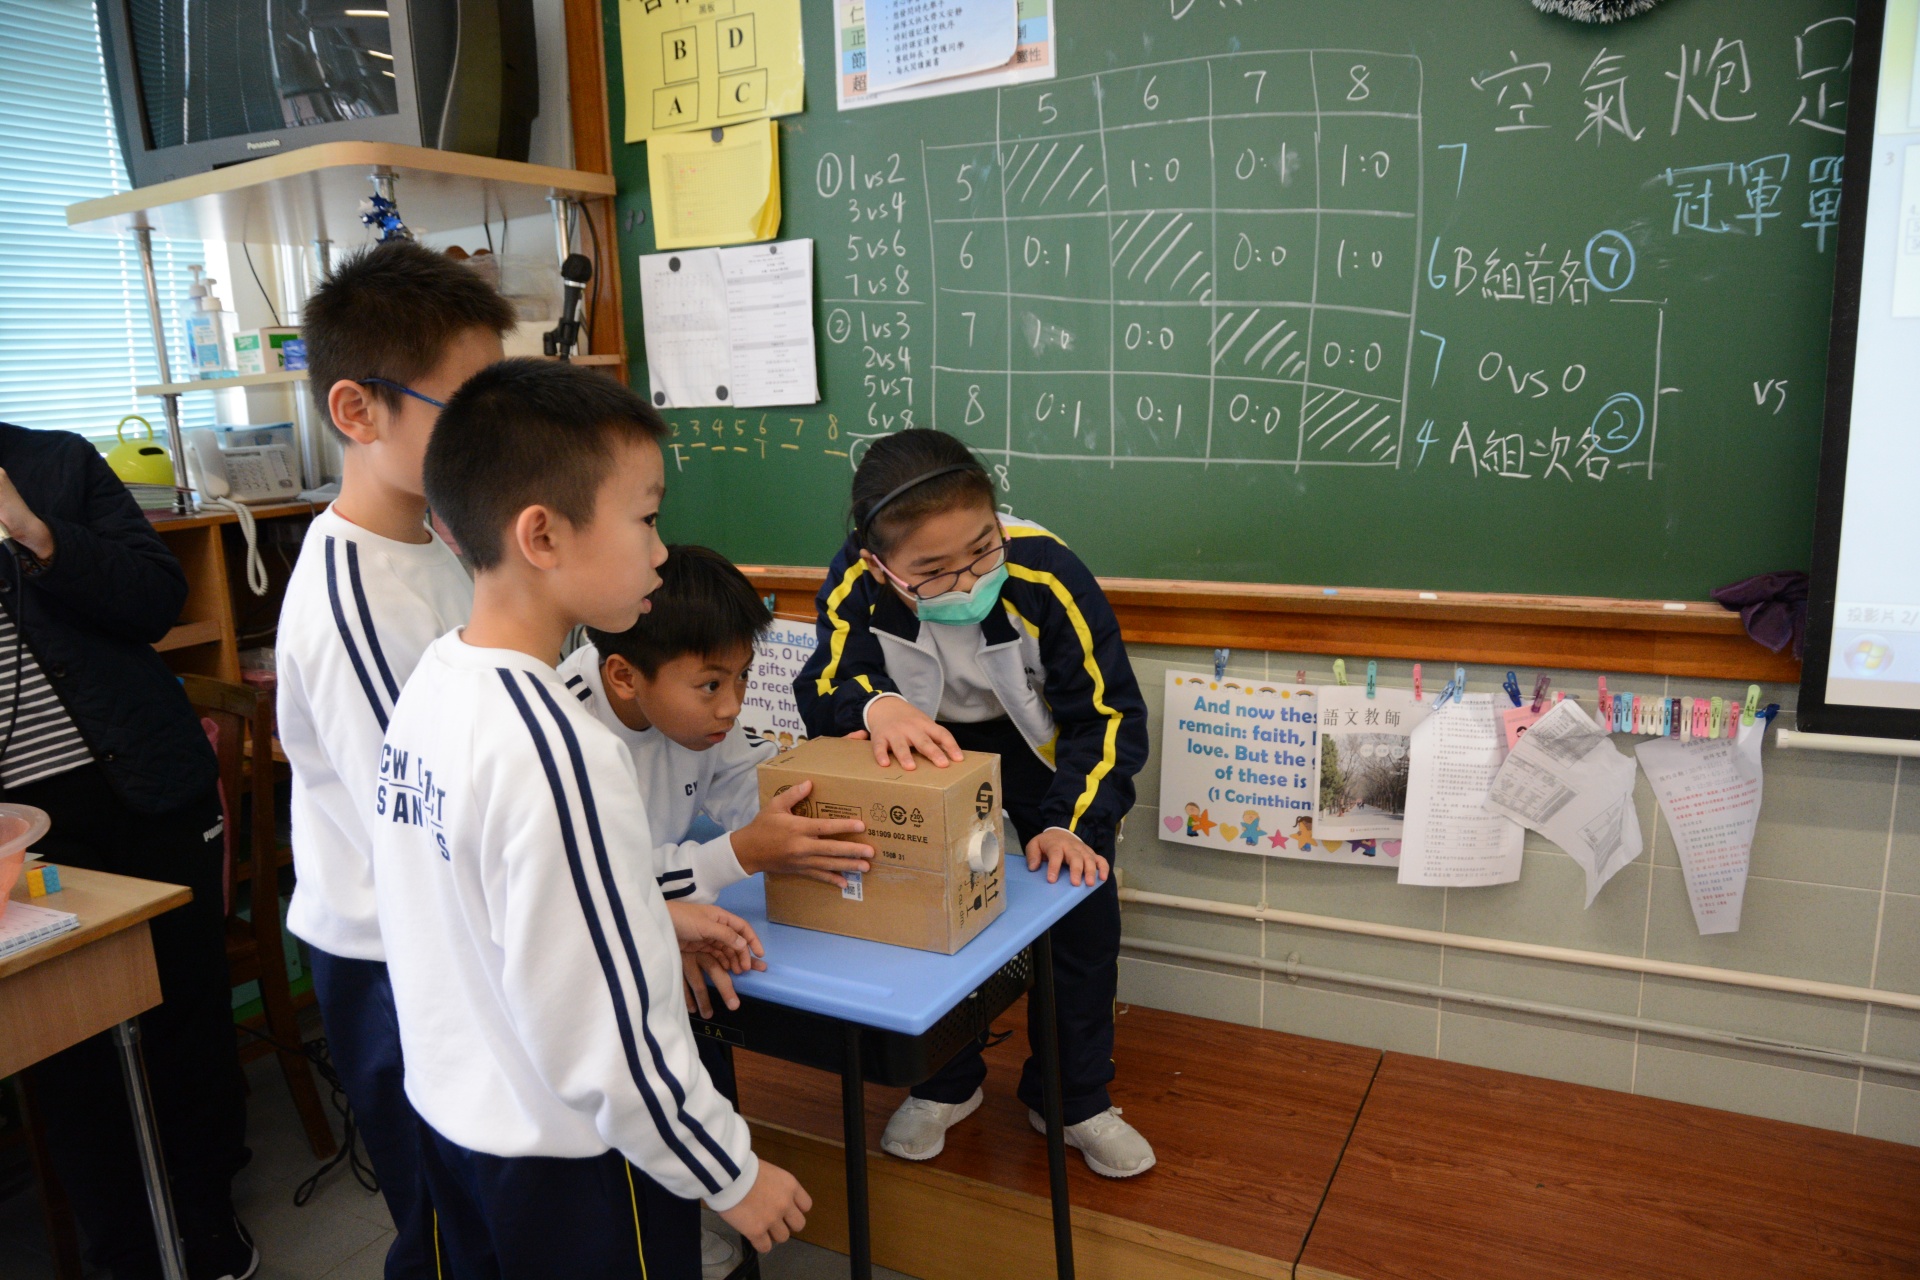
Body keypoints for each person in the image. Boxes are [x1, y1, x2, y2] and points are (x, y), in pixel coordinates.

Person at [375, 359, 811, 1276]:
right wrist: (729, 1172)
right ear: (542, 534)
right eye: (646, 518)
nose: (659, 550)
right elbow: (605, 1028)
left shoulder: (435, 684)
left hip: (456, 1119)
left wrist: (646, 910)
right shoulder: (561, 747)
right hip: (571, 1158)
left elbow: (494, 919)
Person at [795, 428, 1155, 1178]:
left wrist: (1070, 823)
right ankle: (944, 1083)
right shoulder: (854, 581)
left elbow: (1108, 716)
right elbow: (826, 680)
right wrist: (878, 706)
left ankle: (1073, 1098)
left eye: (983, 550)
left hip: (1041, 749)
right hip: (925, 745)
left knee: (1080, 912)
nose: (965, 581)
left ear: (998, 522)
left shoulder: (1046, 571)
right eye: (932, 572)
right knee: (928, 909)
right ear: (879, 565)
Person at [277, 239, 514, 1275]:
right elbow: (428, 819)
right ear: (357, 410)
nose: (492, 435)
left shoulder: (440, 535)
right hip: (400, 953)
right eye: (464, 408)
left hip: (466, 924)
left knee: (493, 1205)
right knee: (449, 1220)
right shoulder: (348, 598)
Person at [558, 544, 870, 1277]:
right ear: (623, 676)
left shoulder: (697, 714)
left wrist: (828, 779)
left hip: (660, 930)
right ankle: (659, 1219)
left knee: (701, 1049)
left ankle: (682, 1208)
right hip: (589, 972)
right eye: (710, 685)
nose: (731, 705)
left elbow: (748, 784)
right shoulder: (566, 733)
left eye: (743, 678)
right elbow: (595, 886)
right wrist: (739, 855)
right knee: (629, 1114)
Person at [0, 421, 253, 1278]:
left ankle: (206, 1210)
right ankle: (123, 1244)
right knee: (66, 1045)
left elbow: (156, 600)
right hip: (24, 835)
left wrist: (36, 535)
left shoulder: (55, 464)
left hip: (145, 788)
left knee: (187, 1011)